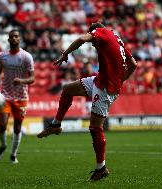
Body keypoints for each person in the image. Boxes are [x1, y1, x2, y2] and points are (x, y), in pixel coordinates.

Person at [37, 23, 137, 181]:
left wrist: (65, 54)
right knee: (67, 89)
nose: (93, 44)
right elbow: (133, 65)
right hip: (100, 81)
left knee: (95, 128)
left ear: (95, 33)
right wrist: (120, 80)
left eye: (93, 41)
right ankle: (55, 126)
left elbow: (82, 38)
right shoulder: (117, 39)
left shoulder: (99, 32)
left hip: (106, 88)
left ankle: (101, 168)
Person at [0, 29, 35, 163]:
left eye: (16, 36)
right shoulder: (2, 56)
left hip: (21, 97)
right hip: (5, 96)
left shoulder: (26, 57)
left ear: (19, 39)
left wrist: (21, 81)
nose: (14, 38)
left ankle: (13, 154)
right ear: (8, 39)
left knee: (17, 128)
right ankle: (3, 144)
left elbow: (32, 78)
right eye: (11, 37)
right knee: (2, 124)